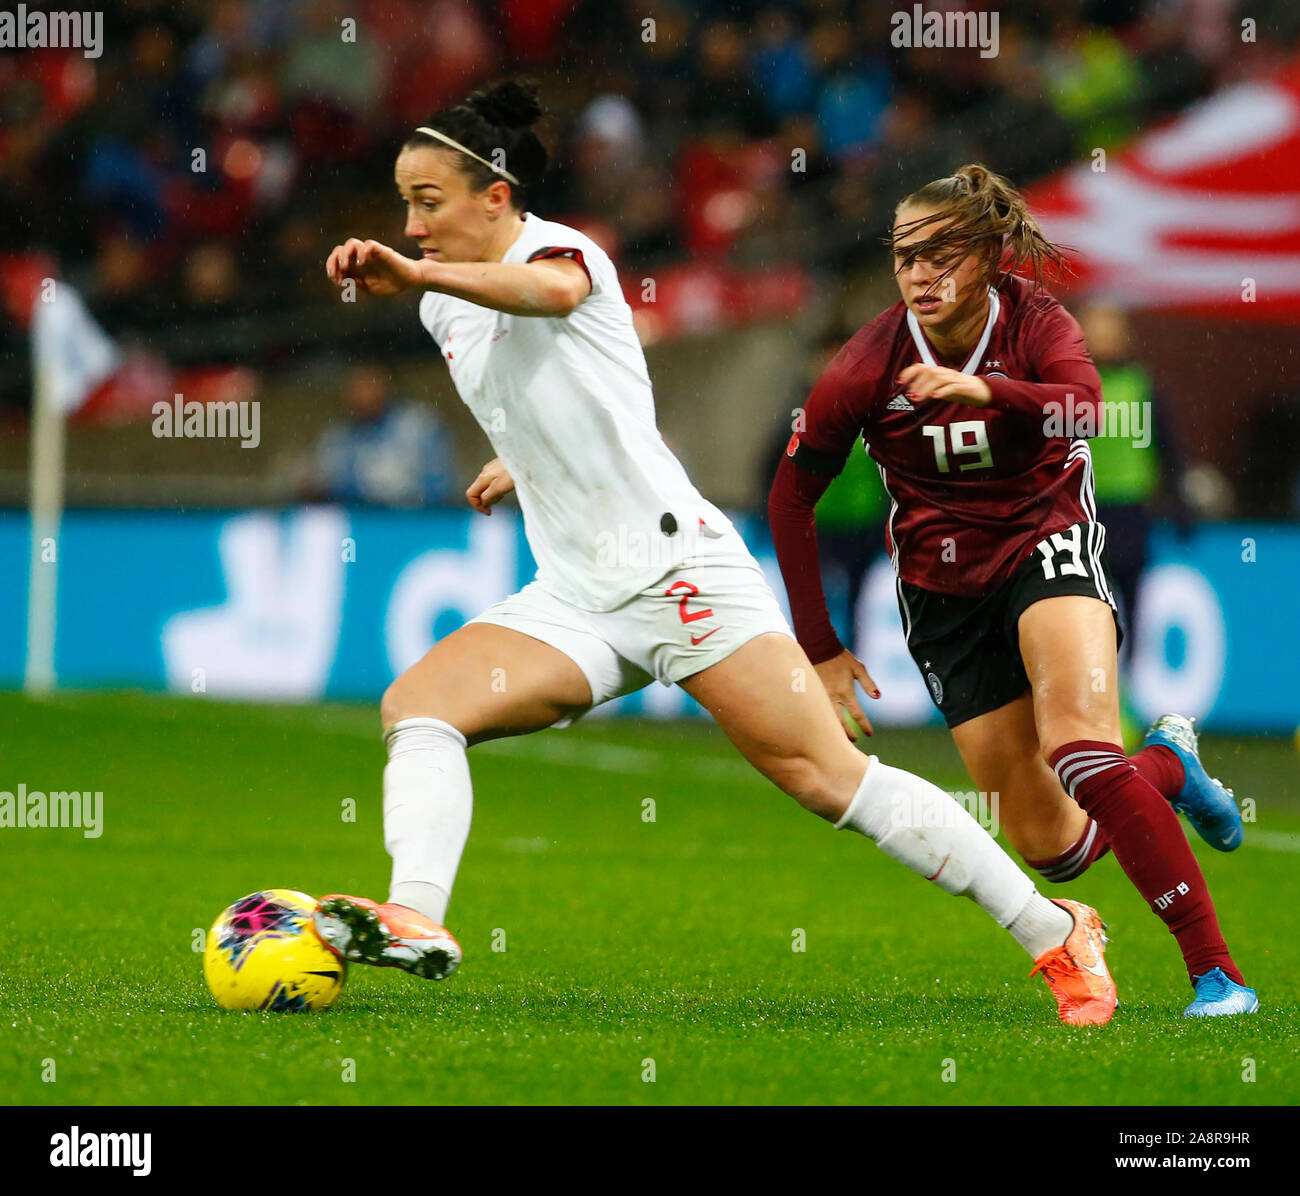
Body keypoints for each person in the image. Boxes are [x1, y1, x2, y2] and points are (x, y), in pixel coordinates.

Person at [316, 82, 1118, 1027]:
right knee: (418, 706)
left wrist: (419, 277)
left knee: (829, 781)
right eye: (404, 203)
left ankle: (1054, 928)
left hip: (678, 573)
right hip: (576, 592)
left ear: (495, 196)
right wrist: (523, 462)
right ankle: (417, 915)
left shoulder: (555, 254)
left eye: (429, 201)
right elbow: (570, 395)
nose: (412, 224)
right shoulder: (440, 308)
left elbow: (553, 298)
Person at [768, 163, 1256, 1018]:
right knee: (1052, 848)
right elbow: (790, 495)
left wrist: (983, 388)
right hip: (942, 592)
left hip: (1047, 542)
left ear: (990, 257)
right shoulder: (865, 363)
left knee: (1080, 748)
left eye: (940, 255)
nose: (919, 275)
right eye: (904, 258)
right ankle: (1168, 768)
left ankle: (1216, 974)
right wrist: (821, 646)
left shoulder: (1037, 322)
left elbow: (1086, 410)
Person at [306, 362, 455, 507]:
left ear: (387, 384)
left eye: (368, 383)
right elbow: (327, 488)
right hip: (359, 523)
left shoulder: (419, 425)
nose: (362, 392)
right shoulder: (338, 437)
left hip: (416, 520)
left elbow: (440, 486)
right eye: (356, 385)